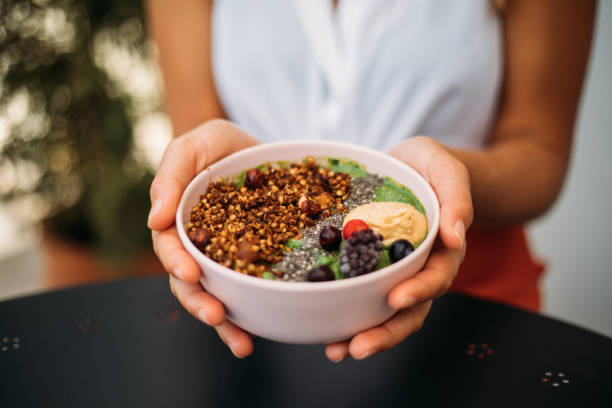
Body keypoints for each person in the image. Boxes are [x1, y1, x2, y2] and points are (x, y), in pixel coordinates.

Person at [145, 0, 594, 361]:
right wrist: (195, 180)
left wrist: (447, 180)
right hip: (248, 305)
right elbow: (196, 128)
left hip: (465, 300)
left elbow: (539, 150)